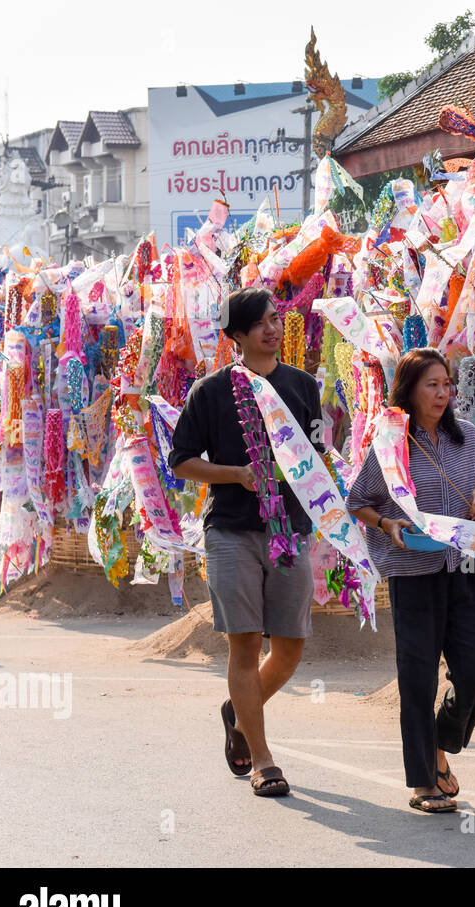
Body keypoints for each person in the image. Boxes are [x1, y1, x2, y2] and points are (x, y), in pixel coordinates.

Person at [168, 288, 324, 798]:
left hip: (290, 531)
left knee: (291, 646)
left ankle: (238, 711)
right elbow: (182, 461)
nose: (271, 329)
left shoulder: (303, 387)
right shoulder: (210, 392)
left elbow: (319, 455)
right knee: (246, 642)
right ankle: (262, 759)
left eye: (275, 319)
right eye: (258, 323)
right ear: (236, 335)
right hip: (232, 530)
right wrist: (236, 474)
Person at [347, 348, 475, 814]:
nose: (443, 393)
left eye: (446, 385)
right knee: (417, 678)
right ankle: (423, 783)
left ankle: (441, 739)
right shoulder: (390, 445)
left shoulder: (469, 438)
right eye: (432, 385)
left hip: (461, 569)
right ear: (410, 390)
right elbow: (359, 501)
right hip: (412, 572)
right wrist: (388, 525)